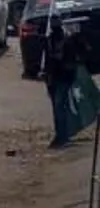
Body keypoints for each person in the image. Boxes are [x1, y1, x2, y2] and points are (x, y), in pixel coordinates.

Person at [44, 17, 88, 148]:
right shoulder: (50, 39)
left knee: (59, 106)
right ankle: (61, 133)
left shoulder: (68, 40)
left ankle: (62, 136)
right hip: (53, 77)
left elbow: (64, 57)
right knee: (57, 107)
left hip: (63, 77)